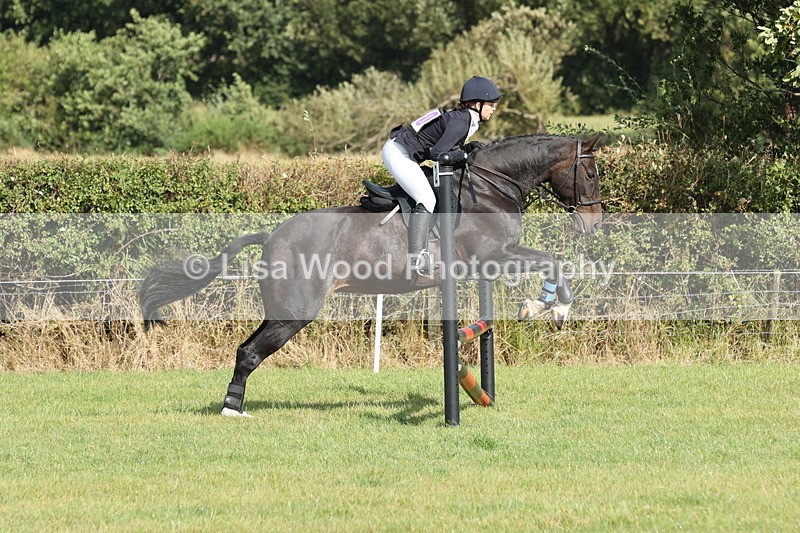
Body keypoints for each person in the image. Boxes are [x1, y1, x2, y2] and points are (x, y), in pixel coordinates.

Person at [381, 76, 503, 274]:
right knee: (427, 199)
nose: (494, 108)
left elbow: (445, 146)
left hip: (404, 151)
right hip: (398, 153)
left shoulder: (463, 119)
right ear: (477, 104)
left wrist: (467, 147)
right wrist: (464, 153)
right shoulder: (460, 122)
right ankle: (417, 257)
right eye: (491, 104)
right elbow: (437, 155)